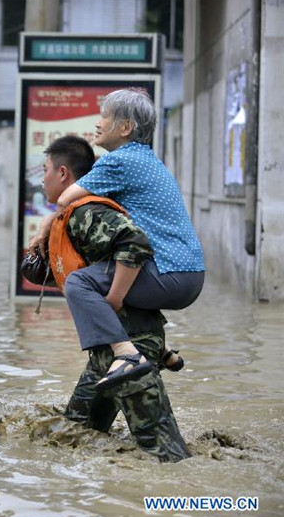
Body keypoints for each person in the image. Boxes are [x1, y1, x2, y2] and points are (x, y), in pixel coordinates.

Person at [28, 88, 204, 383]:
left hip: (167, 274)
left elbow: (64, 200)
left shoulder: (118, 161)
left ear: (125, 127)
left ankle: (126, 354)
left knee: (80, 282)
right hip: (190, 274)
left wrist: (47, 224)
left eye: (104, 116)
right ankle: (160, 347)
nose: (97, 123)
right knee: (110, 270)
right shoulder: (147, 160)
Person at [40, 135, 190, 461]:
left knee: (165, 453)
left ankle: (186, 502)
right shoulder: (77, 213)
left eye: (45, 170)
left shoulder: (85, 212)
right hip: (110, 348)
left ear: (63, 174)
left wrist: (117, 300)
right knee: (74, 437)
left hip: (131, 352)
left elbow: (133, 244)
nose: (42, 179)